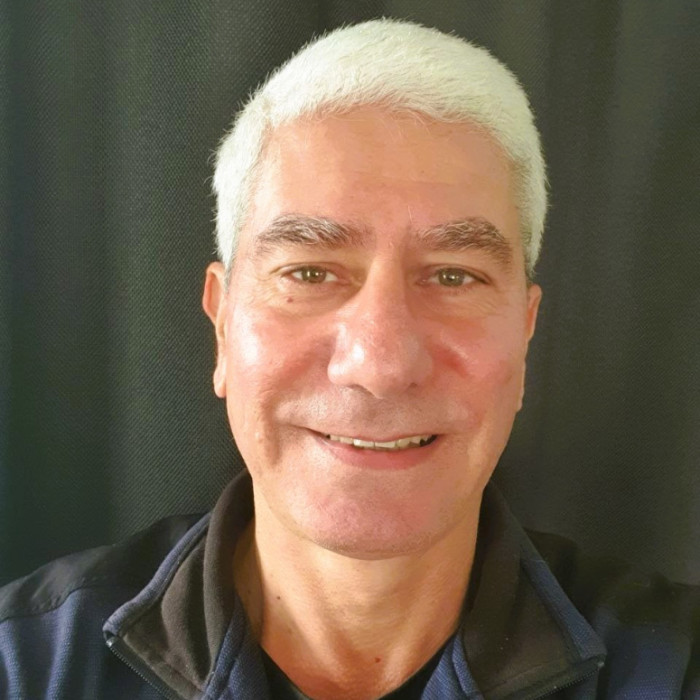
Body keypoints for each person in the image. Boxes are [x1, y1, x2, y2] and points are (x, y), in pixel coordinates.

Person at [1, 18, 698, 700]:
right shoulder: (25, 668)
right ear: (221, 327)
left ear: (525, 332)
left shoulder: (675, 667)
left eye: (454, 275)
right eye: (309, 273)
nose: (379, 364)